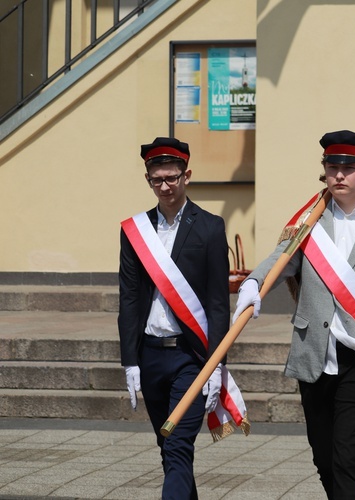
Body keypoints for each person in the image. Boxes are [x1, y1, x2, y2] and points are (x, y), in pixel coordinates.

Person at [232, 130, 355, 499]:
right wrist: (253, 282)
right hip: (315, 358)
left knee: (348, 461)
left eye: (349, 167)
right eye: (332, 166)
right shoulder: (311, 220)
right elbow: (282, 258)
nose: (340, 175)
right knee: (325, 460)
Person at [118, 137, 230, 499]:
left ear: (187, 176)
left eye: (171, 178)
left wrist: (216, 365)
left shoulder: (210, 227)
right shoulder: (135, 231)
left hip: (190, 356)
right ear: (148, 180)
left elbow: (217, 303)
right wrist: (130, 361)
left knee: (179, 446)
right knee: (169, 451)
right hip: (151, 354)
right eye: (156, 180)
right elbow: (130, 298)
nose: (164, 187)